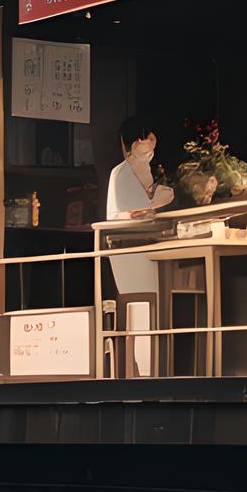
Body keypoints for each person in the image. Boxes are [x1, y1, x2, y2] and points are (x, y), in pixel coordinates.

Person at [102, 117, 175, 375]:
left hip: (138, 248)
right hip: (130, 251)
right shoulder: (123, 171)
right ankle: (143, 372)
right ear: (133, 143)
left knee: (145, 314)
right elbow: (142, 205)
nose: (150, 147)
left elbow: (148, 198)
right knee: (142, 312)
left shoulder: (134, 167)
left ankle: (146, 370)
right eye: (146, 141)